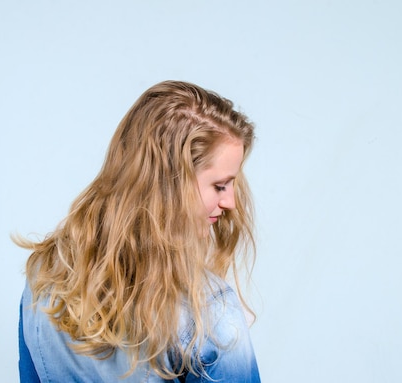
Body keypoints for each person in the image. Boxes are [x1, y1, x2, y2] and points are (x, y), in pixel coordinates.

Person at [16, 80, 261, 382]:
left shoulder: (47, 275)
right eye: (219, 185)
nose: (231, 202)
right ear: (168, 185)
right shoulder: (209, 312)